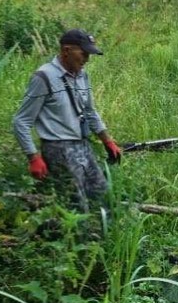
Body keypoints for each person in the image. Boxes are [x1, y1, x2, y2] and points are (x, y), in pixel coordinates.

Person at [13, 28, 122, 212]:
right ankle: (78, 239)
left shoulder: (82, 76)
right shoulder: (44, 77)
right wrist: (33, 157)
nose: (87, 59)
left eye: (89, 54)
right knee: (76, 206)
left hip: (83, 145)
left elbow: (89, 111)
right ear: (66, 51)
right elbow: (20, 121)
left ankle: (105, 237)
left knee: (103, 197)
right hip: (58, 149)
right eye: (84, 53)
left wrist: (107, 140)